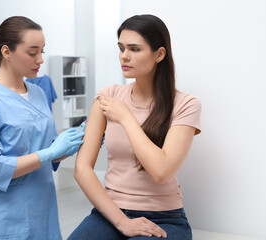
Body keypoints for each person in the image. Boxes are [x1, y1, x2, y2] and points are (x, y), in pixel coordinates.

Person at [68, 14, 201, 240]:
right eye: (121, 48)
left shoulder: (186, 104)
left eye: (134, 49)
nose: (124, 56)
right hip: (109, 214)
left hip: (164, 218)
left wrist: (126, 117)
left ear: (159, 54)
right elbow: (82, 169)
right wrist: (122, 222)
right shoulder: (107, 96)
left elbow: (161, 172)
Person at [0, 16, 84, 240]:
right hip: (3, 218)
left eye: (42, 51)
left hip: (43, 209)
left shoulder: (38, 93)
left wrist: (80, 138)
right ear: (7, 52)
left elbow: (49, 150)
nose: (40, 60)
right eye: (32, 52)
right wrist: (50, 152)